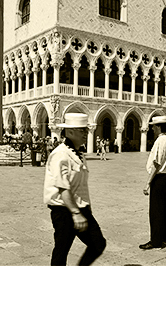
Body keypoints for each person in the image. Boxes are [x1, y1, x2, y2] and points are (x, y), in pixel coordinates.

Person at [45, 113, 106, 266]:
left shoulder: (78, 153)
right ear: (70, 132)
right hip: (65, 210)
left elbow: (80, 186)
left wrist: (87, 208)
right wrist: (76, 213)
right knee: (62, 250)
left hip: (80, 208)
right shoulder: (60, 154)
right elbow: (62, 187)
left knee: (98, 243)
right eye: (82, 130)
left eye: (86, 130)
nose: (86, 133)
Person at [140, 116, 166, 249]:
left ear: (159, 126)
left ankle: (156, 241)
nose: (152, 128)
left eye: (154, 126)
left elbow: (156, 163)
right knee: (165, 209)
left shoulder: (160, 141)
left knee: (156, 211)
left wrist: (148, 183)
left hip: (159, 179)